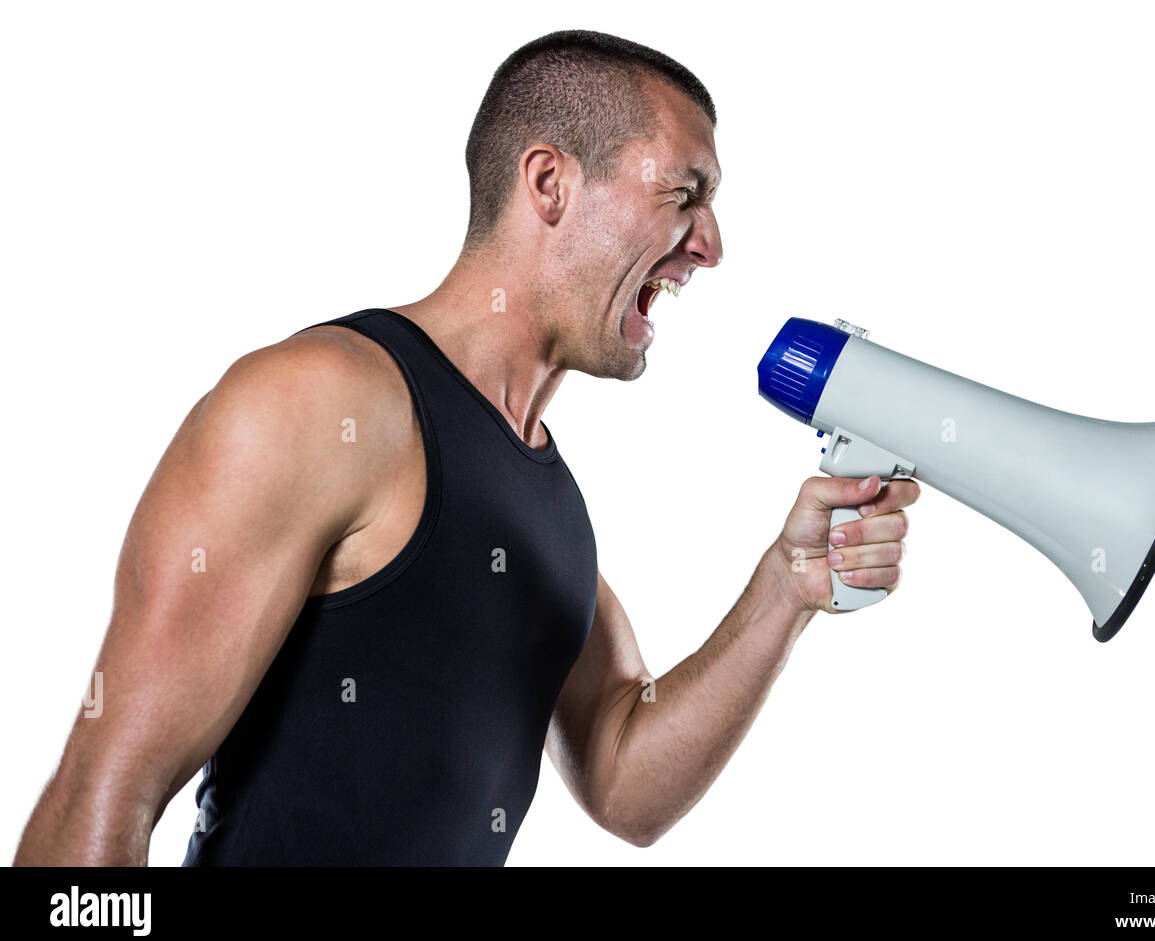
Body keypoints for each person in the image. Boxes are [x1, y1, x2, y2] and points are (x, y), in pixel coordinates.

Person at [14, 29, 917, 866]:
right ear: (550, 183)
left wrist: (787, 587)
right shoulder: (320, 402)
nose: (711, 246)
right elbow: (102, 799)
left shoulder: (549, 503)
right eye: (684, 193)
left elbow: (624, 780)